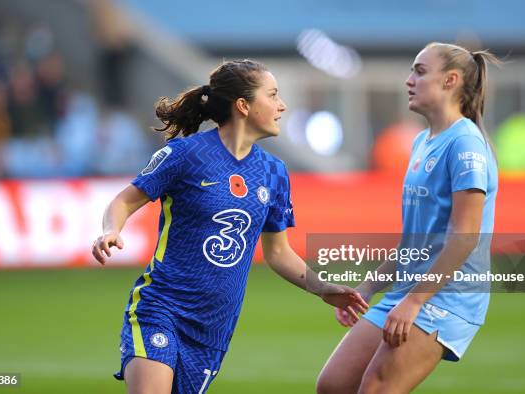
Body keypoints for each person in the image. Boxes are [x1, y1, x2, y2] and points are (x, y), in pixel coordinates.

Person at [91, 59, 369, 394]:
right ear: (243, 106)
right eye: (273, 95)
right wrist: (111, 230)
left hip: (213, 331)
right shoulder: (185, 154)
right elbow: (124, 201)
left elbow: (279, 253)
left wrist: (324, 288)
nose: (282, 105)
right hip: (160, 309)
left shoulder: (274, 173)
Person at [316, 42, 500, 394]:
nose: (408, 80)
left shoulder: (465, 144)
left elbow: (465, 236)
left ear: (450, 80)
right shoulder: (421, 142)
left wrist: (415, 301)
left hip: (445, 297)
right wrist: (366, 289)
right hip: (408, 291)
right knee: (333, 385)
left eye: (419, 71)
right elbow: (412, 243)